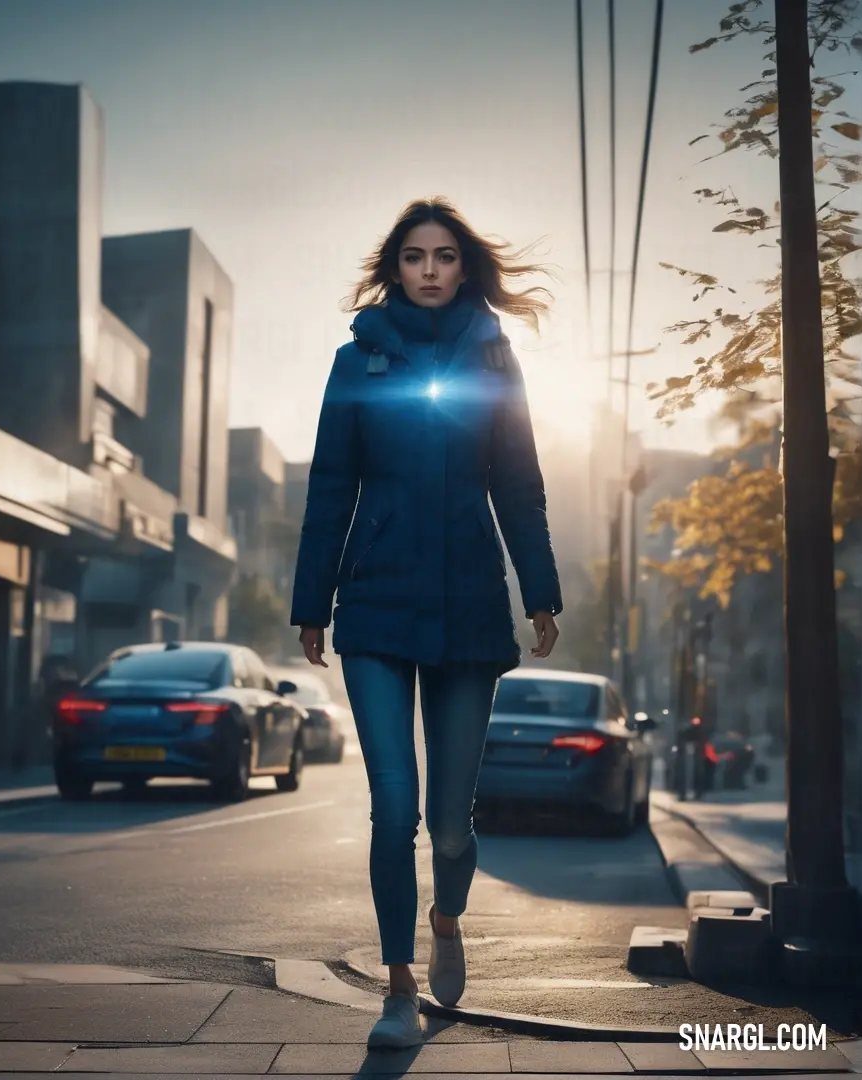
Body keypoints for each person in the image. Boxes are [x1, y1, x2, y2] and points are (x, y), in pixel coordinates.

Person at [289, 197, 563, 1049]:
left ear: (463, 265)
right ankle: (397, 988)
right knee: (394, 807)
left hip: (470, 603)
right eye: (415, 256)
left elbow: (518, 480)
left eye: (445, 255)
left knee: (450, 821)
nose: (432, 270)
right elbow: (330, 484)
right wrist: (311, 602)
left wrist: (539, 589)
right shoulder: (357, 360)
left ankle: (447, 918)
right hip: (373, 600)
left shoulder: (494, 355)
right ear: (396, 266)